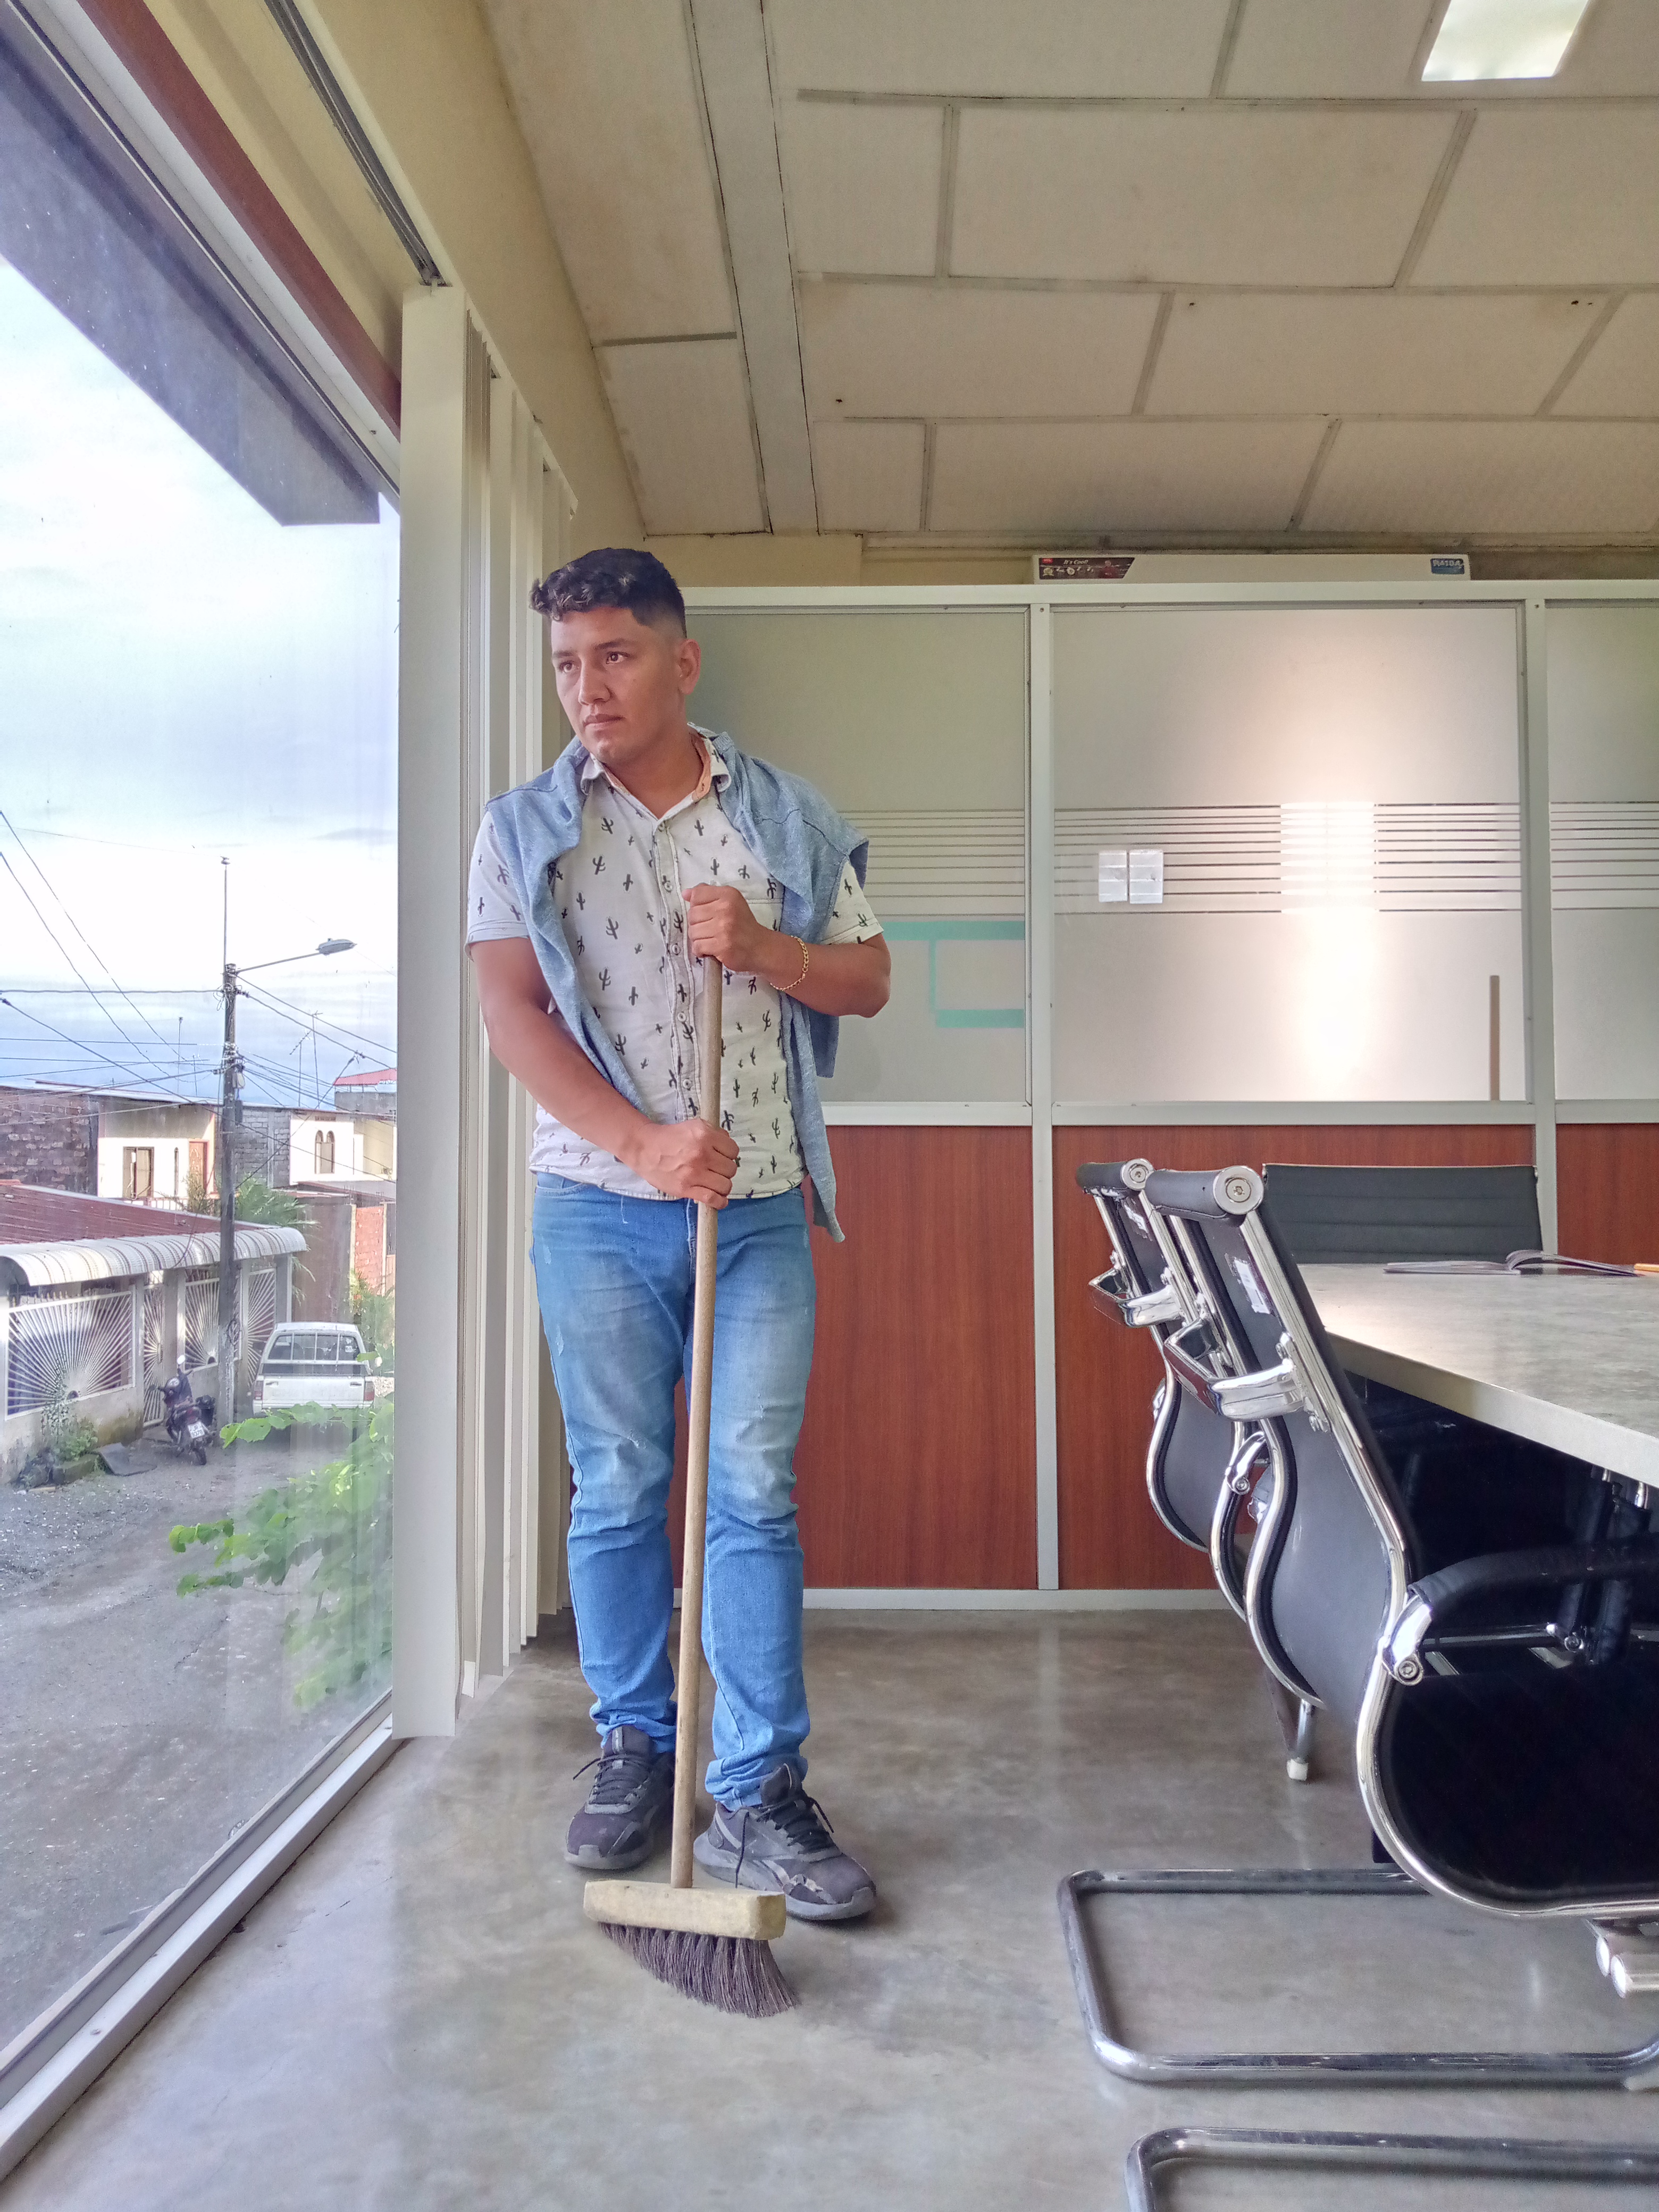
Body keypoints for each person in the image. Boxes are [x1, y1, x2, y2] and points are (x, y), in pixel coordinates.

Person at [467, 548, 891, 1924]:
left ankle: (756, 1789)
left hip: (754, 1210)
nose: (588, 688)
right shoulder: (524, 830)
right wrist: (643, 1142)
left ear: (681, 662)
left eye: (616, 656)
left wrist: (768, 951)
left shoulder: (781, 817)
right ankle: (636, 1747)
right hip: (595, 1210)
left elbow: (870, 978)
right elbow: (513, 1014)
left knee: (750, 1488)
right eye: (568, 664)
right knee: (618, 1483)